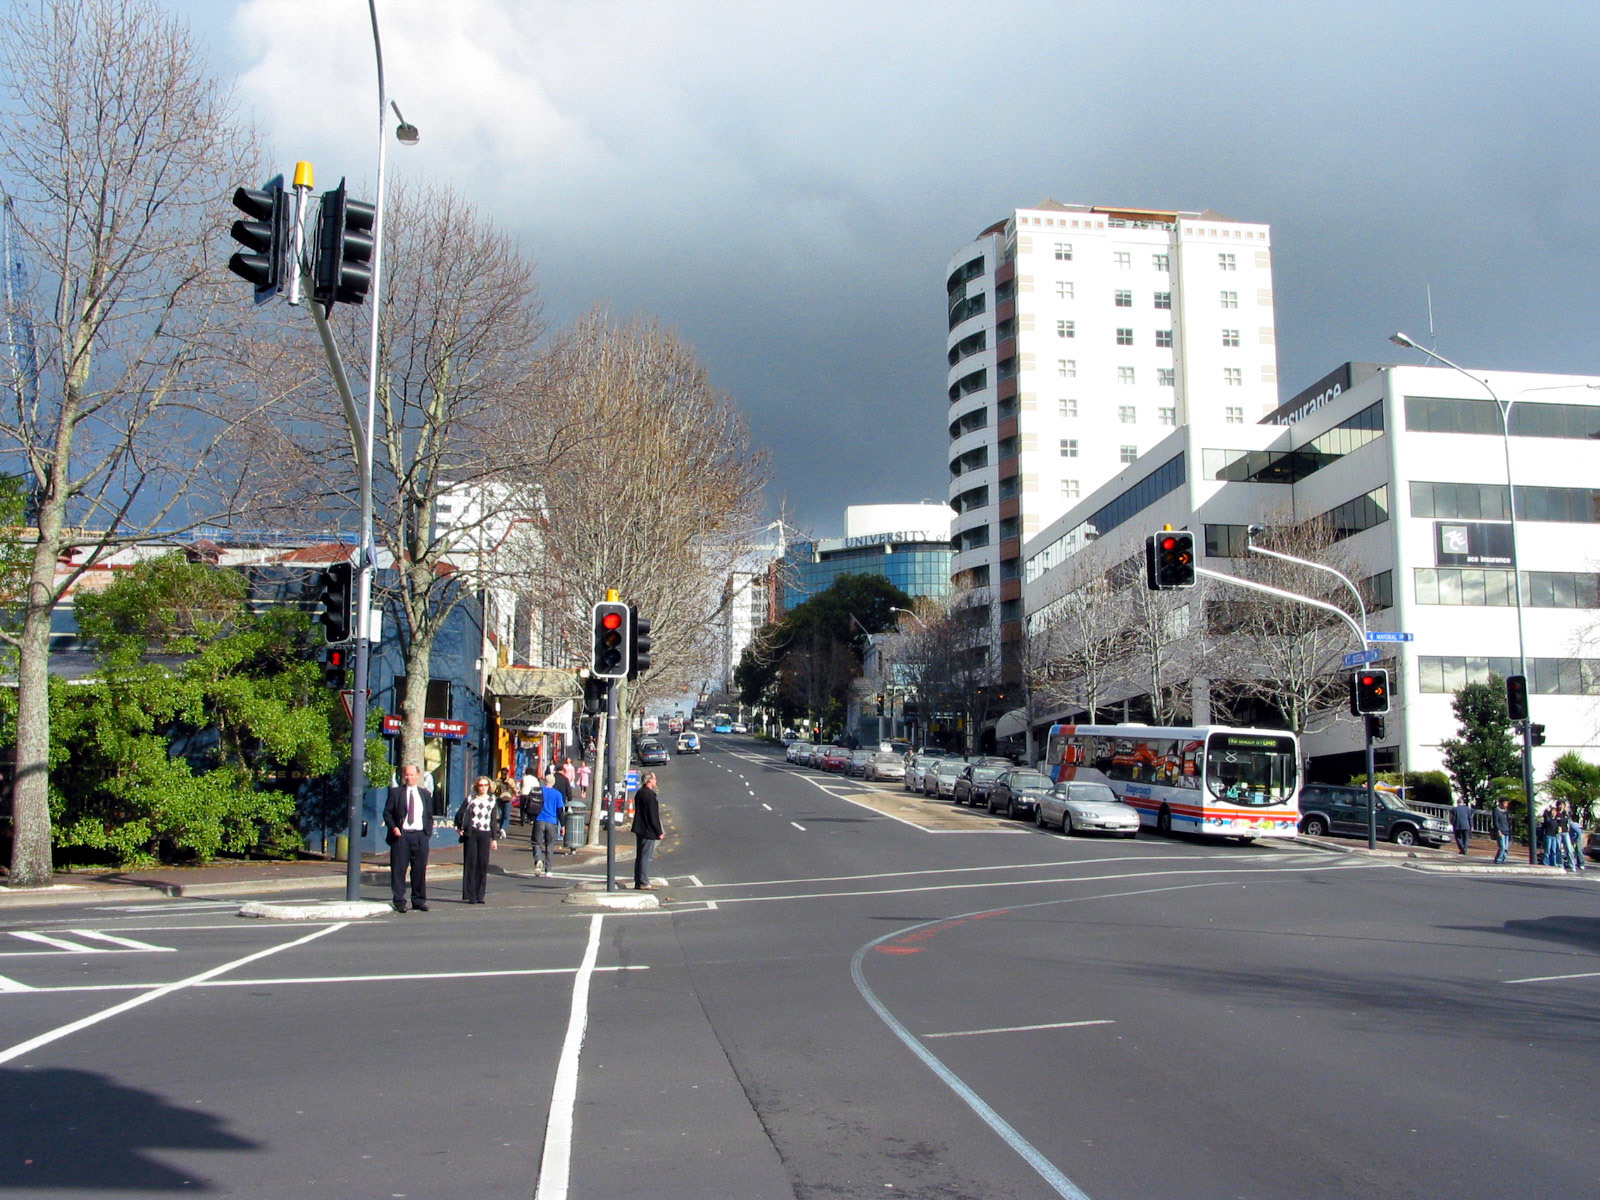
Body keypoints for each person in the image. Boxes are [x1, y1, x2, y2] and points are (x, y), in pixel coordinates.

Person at [383, 763, 432, 913]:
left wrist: (426, 833)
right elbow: (387, 813)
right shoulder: (396, 793)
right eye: (407, 775)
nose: (409, 777)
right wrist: (394, 828)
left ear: (418, 776)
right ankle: (399, 901)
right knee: (399, 870)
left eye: (412, 775)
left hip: (419, 836)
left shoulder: (424, 794)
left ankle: (418, 900)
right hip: (402, 836)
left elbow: (429, 815)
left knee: (419, 870)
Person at [455, 776, 502, 905]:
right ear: (477, 786)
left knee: (482, 863)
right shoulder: (471, 799)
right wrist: (459, 828)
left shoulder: (492, 801)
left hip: (485, 833)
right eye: (481, 785)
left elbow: (493, 821)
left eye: (485, 785)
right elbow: (460, 814)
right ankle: (471, 896)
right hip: (472, 833)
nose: (483, 788)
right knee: (471, 863)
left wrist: (494, 838)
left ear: (489, 786)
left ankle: (480, 895)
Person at [631, 770, 663, 890]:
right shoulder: (650, 795)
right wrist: (659, 832)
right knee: (645, 857)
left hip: (639, 828)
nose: (656, 781)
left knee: (640, 856)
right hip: (648, 830)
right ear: (649, 780)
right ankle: (643, 882)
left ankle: (638, 880)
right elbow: (653, 815)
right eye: (654, 779)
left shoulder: (639, 793)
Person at [531, 771, 565, 877]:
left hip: (539, 819)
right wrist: (562, 825)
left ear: (545, 781)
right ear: (553, 782)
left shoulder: (539, 791)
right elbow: (560, 811)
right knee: (549, 845)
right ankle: (548, 869)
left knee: (536, 843)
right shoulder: (557, 794)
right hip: (552, 821)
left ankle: (538, 860)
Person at [1492, 798, 1512, 864]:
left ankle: (1503, 859)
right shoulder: (1496, 811)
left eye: (1507, 803)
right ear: (1500, 803)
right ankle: (1498, 859)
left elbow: (1508, 821)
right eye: (1505, 803)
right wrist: (1498, 831)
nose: (1506, 805)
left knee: (1506, 848)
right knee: (1502, 847)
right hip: (1501, 830)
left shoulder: (1506, 812)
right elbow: (1496, 822)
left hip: (1507, 830)